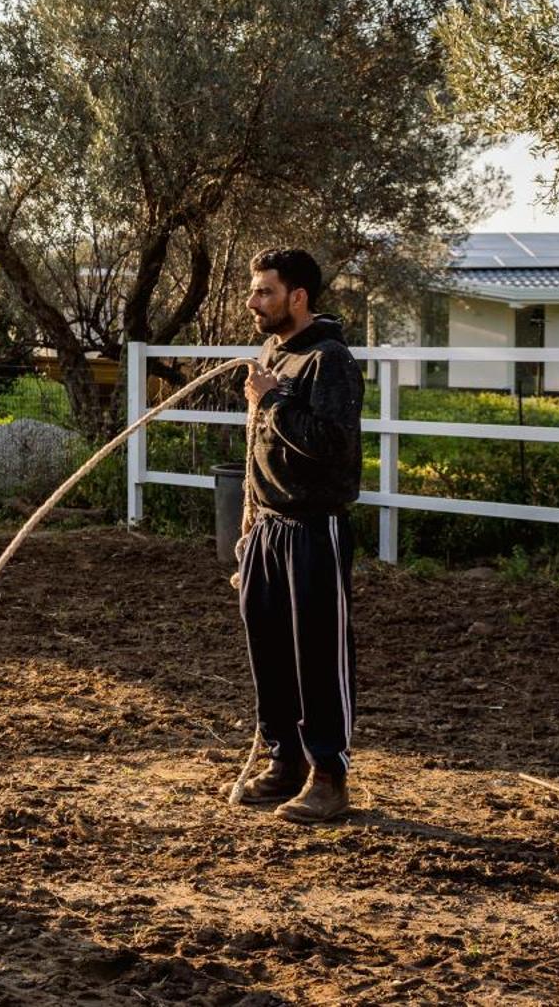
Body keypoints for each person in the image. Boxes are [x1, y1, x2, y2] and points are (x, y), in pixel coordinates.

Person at [233, 248, 363, 823]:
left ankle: (328, 775)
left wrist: (276, 401)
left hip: (314, 527)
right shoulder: (272, 354)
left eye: (264, 291)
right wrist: (247, 529)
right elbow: (257, 448)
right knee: (270, 650)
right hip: (268, 525)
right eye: (254, 290)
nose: (253, 301)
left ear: (298, 297)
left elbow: (332, 445)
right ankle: (284, 759)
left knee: (317, 651)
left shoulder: (328, 360)